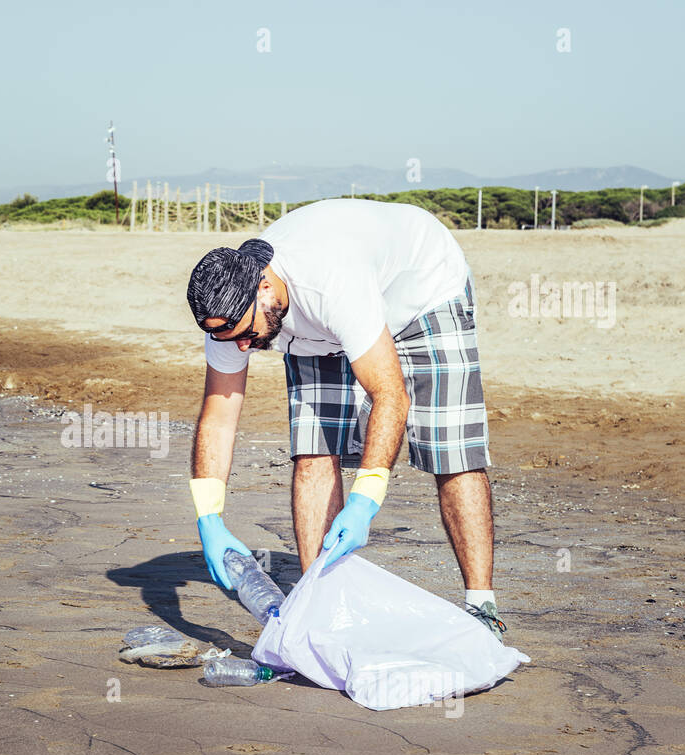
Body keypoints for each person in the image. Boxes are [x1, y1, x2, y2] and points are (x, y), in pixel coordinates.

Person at [185, 198, 506, 637]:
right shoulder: (229, 318)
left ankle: (481, 606)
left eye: (245, 334)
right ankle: (323, 606)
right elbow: (218, 419)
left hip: (422, 294)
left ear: (264, 288)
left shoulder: (331, 282)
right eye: (229, 338)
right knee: (314, 450)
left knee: (450, 450)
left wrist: (364, 501)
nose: (242, 348)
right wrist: (210, 518)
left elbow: (389, 394)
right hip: (318, 329)